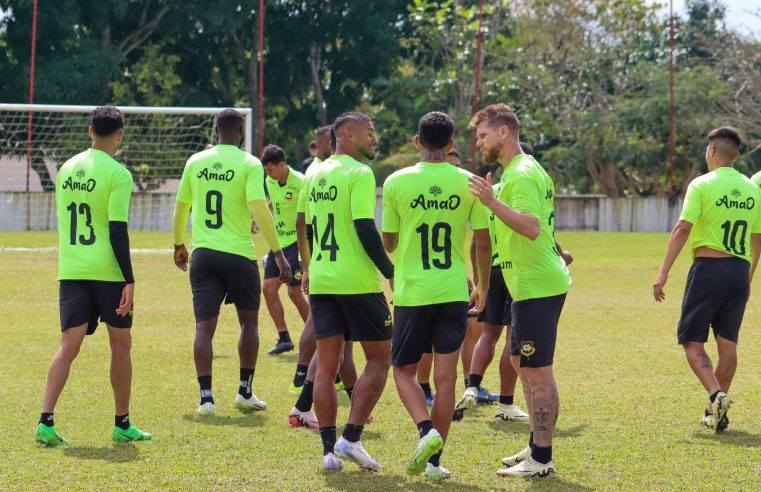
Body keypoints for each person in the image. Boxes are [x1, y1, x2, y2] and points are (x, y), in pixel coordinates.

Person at [382, 111, 491, 480]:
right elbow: (482, 240)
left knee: (403, 371)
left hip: (413, 292)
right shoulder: (470, 183)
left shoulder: (396, 182)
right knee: (446, 381)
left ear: (417, 142)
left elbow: (389, 241)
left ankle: (424, 430)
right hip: (452, 292)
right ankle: (434, 463)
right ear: (451, 145)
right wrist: (483, 286)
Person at [36, 106, 152, 446]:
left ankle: (45, 421)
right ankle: (122, 423)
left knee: (67, 347)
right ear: (120, 135)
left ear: (90, 131)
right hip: (107, 272)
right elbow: (117, 231)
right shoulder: (119, 174)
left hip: (71, 270)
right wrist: (129, 279)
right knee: (121, 343)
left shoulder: (67, 169)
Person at [469, 103, 571, 478]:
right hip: (526, 285)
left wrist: (491, 201)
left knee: (537, 370)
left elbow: (530, 226)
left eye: (482, 135)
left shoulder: (522, 174)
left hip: (536, 286)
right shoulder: (519, 170)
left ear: (503, 133)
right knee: (519, 363)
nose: (478, 142)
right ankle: (535, 444)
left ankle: (542, 458)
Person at [172, 109, 292, 416]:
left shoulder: (195, 161)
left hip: (204, 255)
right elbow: (259, 209)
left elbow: (181, 206)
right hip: (239, 255)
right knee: (249, 322)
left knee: (204, 327)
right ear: (240, 131)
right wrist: (277, 252)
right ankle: (244, 392)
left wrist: (178, 245)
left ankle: (206, 398)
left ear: (215, 130)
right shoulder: (249, 163)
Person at [303, 112, 394, 471]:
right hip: (356, 282)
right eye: (369, 133)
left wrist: (311, 267)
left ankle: (329, 453)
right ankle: (350, 437)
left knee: (327, 367)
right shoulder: (359, 173)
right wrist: (389, 270)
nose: (375, 139)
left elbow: (310, 228)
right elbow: (364, 228)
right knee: (380, 359)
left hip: (323, 281)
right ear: (347, 136)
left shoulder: (315, 174)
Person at [654, 127, 761, 432]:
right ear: (735, 154)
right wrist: (749, 277)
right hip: (740, 272)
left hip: (708, 270)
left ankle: (716, 396)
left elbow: (682, 229)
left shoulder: (702, 184)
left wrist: (662, 272)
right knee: (728, 349)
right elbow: (758, 239)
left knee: (691, 342)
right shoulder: (753, 190)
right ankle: (714, 413)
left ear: (711, 151)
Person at [455, 142, 571, 422]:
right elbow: (537, 228)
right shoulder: (523, 182)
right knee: (513, 339)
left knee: (488, 334)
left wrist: (481, 279)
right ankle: (506, 403)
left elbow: (479, 241)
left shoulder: (494, 191)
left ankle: (472, 385)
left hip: (493, 271)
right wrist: (560, 252)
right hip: (515, 270)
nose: (480, 141)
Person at [261, 144, 309, 355]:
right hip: (278, 243)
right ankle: (284, 338)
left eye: (271, 169)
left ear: (282, 164)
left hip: (297, 242)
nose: (268, 174)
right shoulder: (270, 180)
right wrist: (261, 214)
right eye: (266, 170)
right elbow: (276, 199)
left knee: (293, 291)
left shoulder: (300, 181)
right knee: (268, 288)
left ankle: (319, 336)